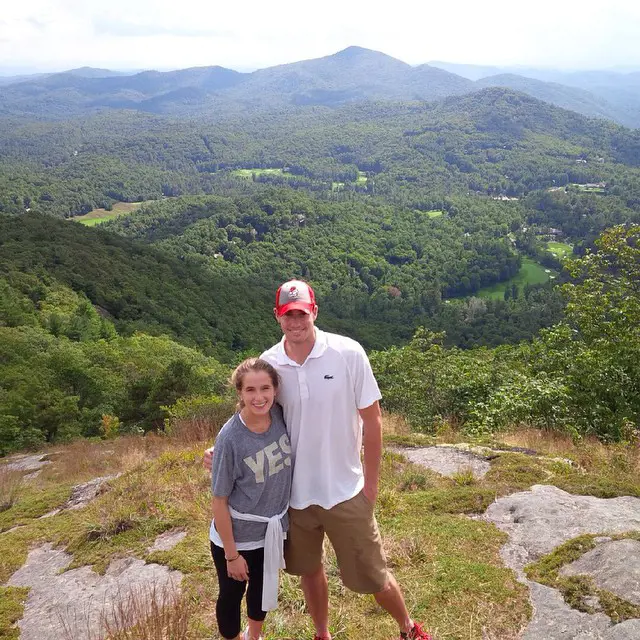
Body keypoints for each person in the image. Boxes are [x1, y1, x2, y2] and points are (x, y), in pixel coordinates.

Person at [206, 280, 433, 640]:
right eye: (287, 314)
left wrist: (371, 487)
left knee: (373, 574)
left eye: (301, 313)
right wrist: (221, 450)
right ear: (278, 317)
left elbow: (372, 419)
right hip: (294, 500)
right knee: (310, 571)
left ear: (314, 311)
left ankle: (408, 628)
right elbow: (255, 411)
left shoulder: (348, 353)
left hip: (345, 490)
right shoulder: (271, 363)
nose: (295, 321)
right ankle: (322, 634)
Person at [210, 357, 292, 640]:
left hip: (270, 531)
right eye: (250, 390)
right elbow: (218, 501)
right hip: (238, 536)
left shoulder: (280, 415)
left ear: (275, 389)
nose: (259, 397)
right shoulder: (231, 438)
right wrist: (232, 555)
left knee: (261, 589)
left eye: (265, 388)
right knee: (232, 594)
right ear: (240, 393)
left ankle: (254, 636)